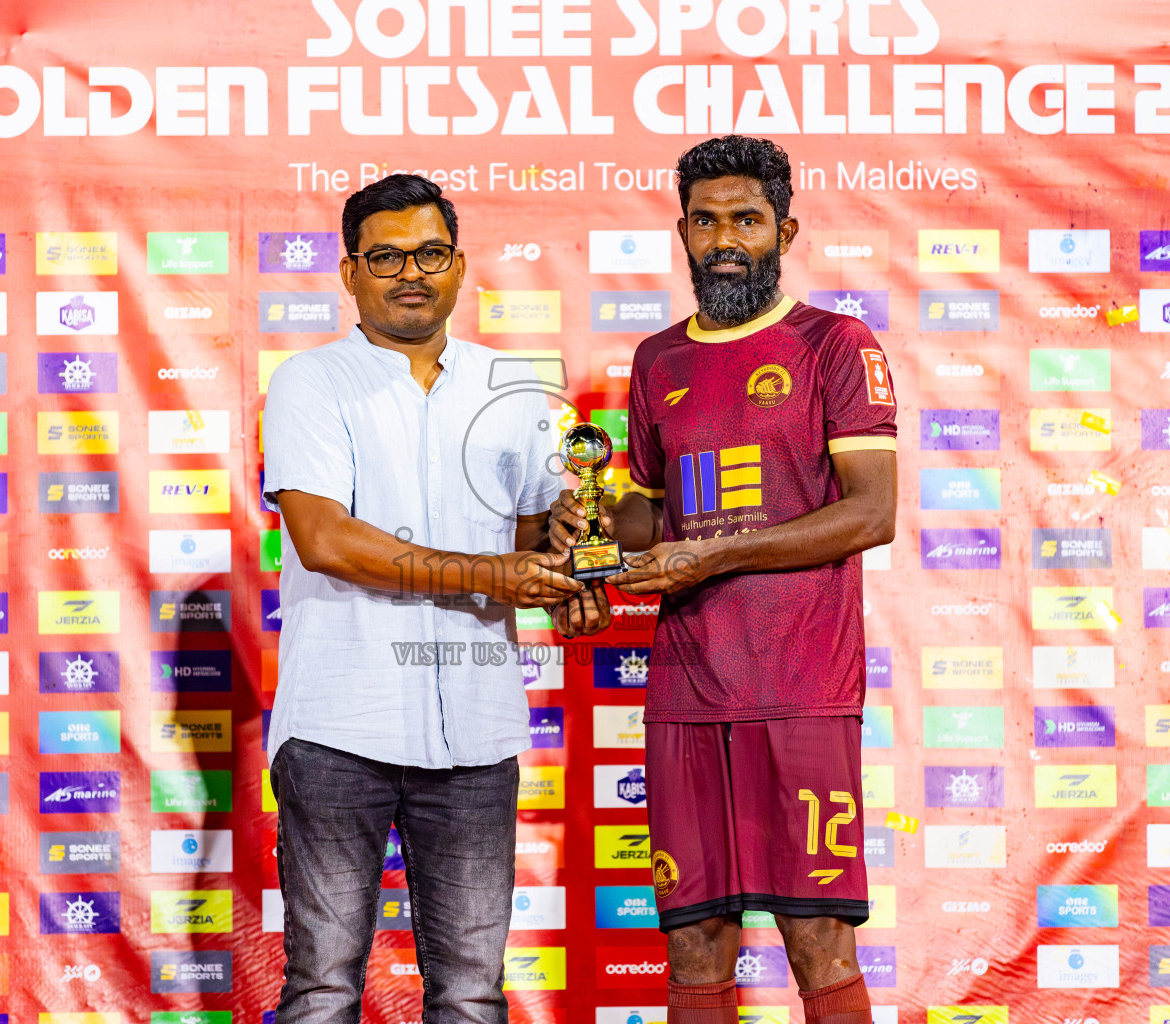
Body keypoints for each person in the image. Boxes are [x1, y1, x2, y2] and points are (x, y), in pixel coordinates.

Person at [549, 136, 897, 1024]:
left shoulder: (836, 344)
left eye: (745, 219)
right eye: (705, 222)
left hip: (802, 687)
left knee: (818, 938)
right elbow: (651, 517)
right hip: (687, 689)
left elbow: (870, 513)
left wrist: (712, 556)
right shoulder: (657, 361)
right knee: (695, 940)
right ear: (682, 233)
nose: (725, 239)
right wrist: (586, 528)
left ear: (783, 228)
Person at [262, 173, 601, 1024]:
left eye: (430, 253)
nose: (410, 272)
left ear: (460, 266)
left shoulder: (512, 387)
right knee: (324, 988)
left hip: (476, 736)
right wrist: (493, 576)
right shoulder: (311, 381)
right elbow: (326, 540)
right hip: (339, 727)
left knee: (473, 995)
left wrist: (569, 555)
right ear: (349, 274)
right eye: (385, 256)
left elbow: (537, 540)